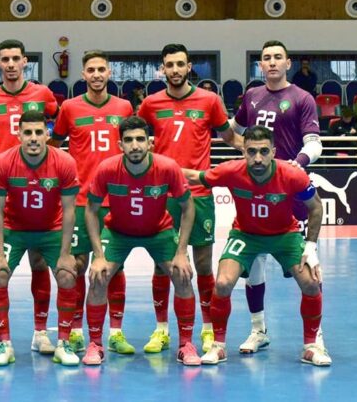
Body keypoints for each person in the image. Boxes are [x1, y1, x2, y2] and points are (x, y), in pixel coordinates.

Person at [183, 125, 331, 367]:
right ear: (244, 152)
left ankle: (311, 346)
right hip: (246, 235)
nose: (258, 158)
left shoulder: (292, 174)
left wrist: (310, 247)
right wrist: (158, 166)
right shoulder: (231, 171)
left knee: (311, 282)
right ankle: (218, 346)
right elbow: (194, 177)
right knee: (222, 283)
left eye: (263, 151)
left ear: (273, 152)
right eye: (251, 151)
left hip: (285, 235)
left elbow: (315, 207)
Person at [137, 43, 241, 354]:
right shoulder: (150, 104)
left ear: (189, 66)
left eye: (180, 64)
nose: (175, 70)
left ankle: (207, 330)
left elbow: (230, 137)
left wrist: (257, 153)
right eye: (169, 65)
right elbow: (134, 139)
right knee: (162, 265)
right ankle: (161, 330)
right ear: (162, 69)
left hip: (199, 194)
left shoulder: (210, 101)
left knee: (203, 265)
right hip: (162, 194)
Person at [81, 116, 200, 366]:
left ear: (150, 143)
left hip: (159, 232)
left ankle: (186, 345)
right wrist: (98, 256)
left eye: (139, 139)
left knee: (182, 275)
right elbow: (91, 210)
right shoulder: (107, 169)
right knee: (98, 276)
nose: (134, 145)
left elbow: (188, 207)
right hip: (118, 232)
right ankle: (95, 344)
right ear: (120, 145)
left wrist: (181, 252)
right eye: (128, 140)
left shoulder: (167, 167)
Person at [231, 40, 323, 354]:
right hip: (256, 189)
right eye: (267, 58)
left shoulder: (302, 98)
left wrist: (297, 164)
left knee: (308, 267)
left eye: (278, 57)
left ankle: (315, 338)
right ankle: (258, 330)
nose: (272, 62)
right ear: (260, 64)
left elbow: (314, 143)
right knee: (254, 263)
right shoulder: (251, 96)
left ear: (288, 63)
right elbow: (233, 131)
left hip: (291, 191)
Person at [0, 39, 59, 353]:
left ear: (25, 61)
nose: (10, 64)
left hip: (35, 187)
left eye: (15, 59)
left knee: (39, 260)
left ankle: (40, 332)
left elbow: (55, 131)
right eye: (5, 59)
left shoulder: (43, 95)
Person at [50, 50, 134, 354]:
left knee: (114, 266)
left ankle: (116, 332)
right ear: (83, 74)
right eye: (91, 70)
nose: (96, 74)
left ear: (109, 73)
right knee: (77, 265)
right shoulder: (70, 108)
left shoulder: (124, 107)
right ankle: (75, 331)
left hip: (116, 199)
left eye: (101, 69)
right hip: (81, 200)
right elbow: (54, 146)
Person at [0, 110, 80, 366]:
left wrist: (65, 254)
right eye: (27, 132)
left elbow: (69, 210)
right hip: (14, 229)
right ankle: (4, 344)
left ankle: (62, 343)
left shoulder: (64, 162)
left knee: (67, 275)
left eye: (39, 132)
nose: (34, 138)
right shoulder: (4, 162)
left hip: (51, 229)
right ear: (18, 135)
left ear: (47, 134)